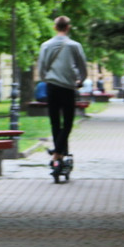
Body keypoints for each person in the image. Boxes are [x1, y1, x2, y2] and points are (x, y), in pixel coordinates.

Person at [37, 15, 87, 166]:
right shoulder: (75, 46)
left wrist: (47, 79)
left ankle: (58, 153)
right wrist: (80, 80)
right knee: (68, 123)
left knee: (55, 122)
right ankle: (58, 152)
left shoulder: (45, 45)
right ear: (68, 27)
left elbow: (41, 69)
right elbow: (82, 67)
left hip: (51, 87)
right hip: (68, 88)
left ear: (55, 27)